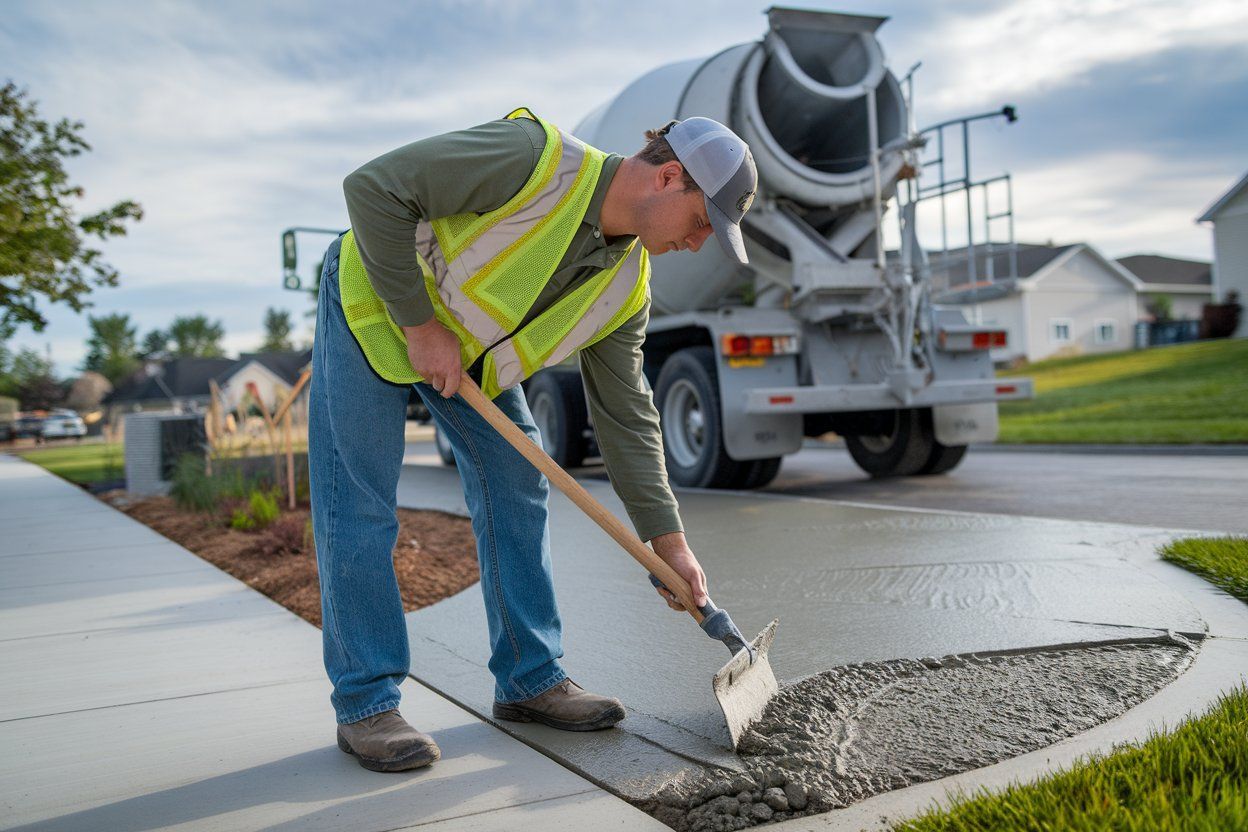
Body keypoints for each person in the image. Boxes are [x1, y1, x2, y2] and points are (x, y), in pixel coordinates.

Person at [309, 108, 758, 773]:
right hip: (373, 305)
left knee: (520, 484)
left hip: (467, 355)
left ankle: (529, 679)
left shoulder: (627, 284)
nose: (698, 244)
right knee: (362, 503)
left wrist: (671, 546)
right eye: (700, 223)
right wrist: (418, 322)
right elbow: (372, 189)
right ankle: (367, 702)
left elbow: (627, 414)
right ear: (669, 177)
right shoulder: (532, 159)